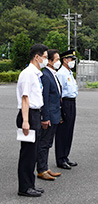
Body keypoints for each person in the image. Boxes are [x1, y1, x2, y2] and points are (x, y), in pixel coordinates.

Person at [16, 44, 48, 197]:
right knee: (28, 154)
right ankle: (24, 187)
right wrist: (25, 121)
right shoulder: (28, 74)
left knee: (33, 153)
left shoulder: (36, 74)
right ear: (37, 57)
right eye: (45, 57)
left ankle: (31, 184)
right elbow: (25, 98)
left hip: (35, 114)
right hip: (28, 115)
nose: (46, 60)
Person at [37, 49, 62, 180]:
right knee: (44, 143)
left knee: (48, 143)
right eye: (57, 60)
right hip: (49, 116)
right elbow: (44, 99)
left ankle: (45, 167)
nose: (59, 62)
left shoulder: (53, 74)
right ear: (50, 61)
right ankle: (41, 170)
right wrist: (45, 117)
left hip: (55, 114)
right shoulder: (45, 75)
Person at [55, 49, 78, 170]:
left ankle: (65, 156)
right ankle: (60, 159)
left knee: (69, 131)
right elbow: (59, 93)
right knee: (62, 132)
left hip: (72, 103)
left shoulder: (69, 73)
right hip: (65, 103)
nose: (73, 62)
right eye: (71, 59)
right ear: (65, 60)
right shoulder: (61, 73)